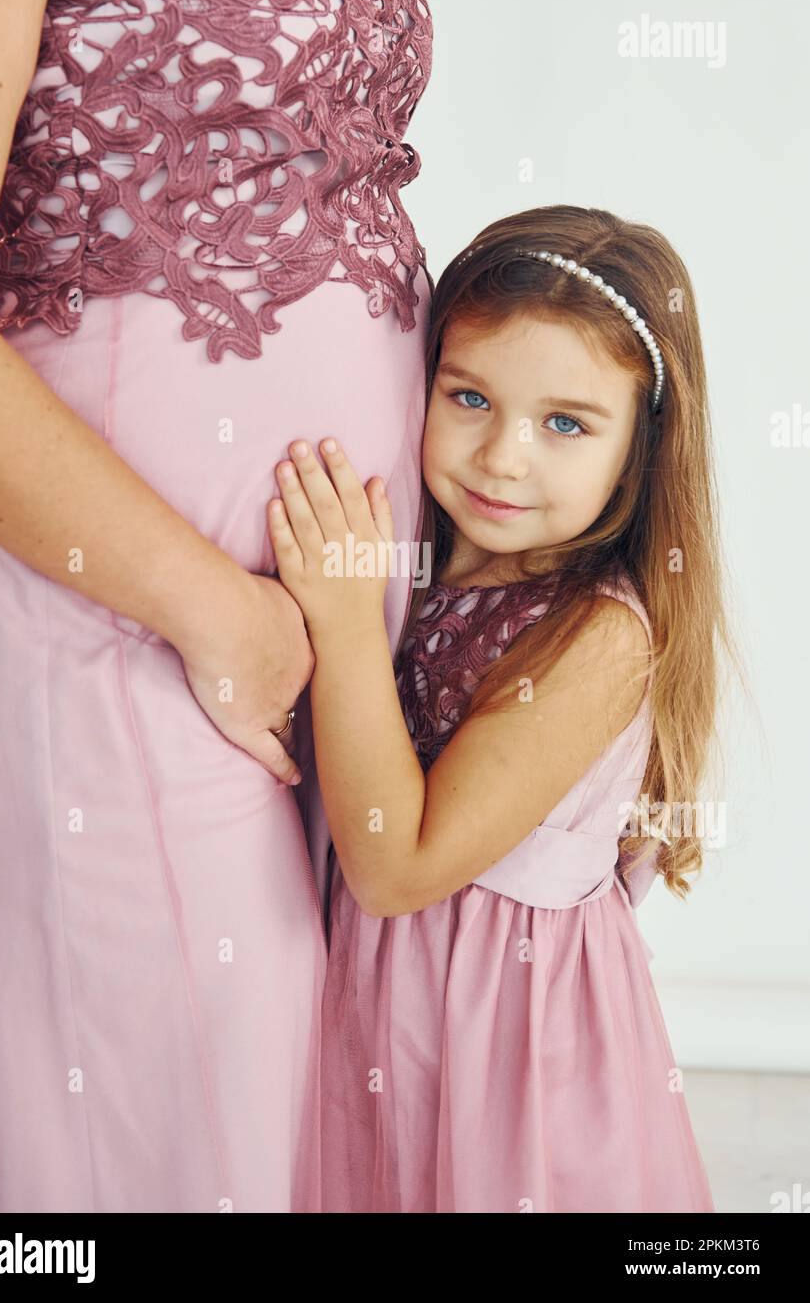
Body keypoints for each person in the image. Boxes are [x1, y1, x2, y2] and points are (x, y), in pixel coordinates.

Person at [0, 0, 432, 1211]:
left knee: (273, 1113)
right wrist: (217, 613)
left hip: (313, 637)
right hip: (128, 614)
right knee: (167, 1134)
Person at [267, 204, 738, 1212]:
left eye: (564, 422)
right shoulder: (418, 569)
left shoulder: (597, 638)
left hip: (508, 1047)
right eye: (469, 397)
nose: (502, 456)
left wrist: (345, 626)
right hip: (383, 1015)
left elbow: (397, 867)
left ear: (639, 448)